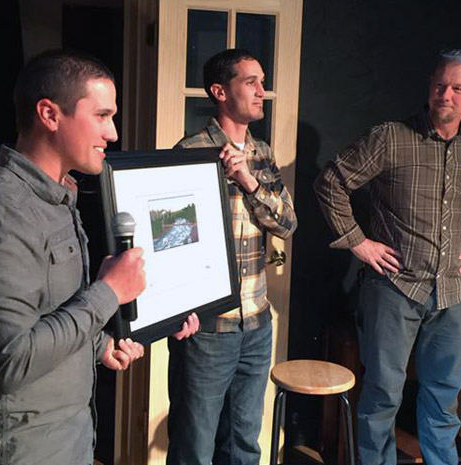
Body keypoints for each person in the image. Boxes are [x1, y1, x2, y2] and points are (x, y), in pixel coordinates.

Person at [0, 49, 197, 465]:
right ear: (49, 114)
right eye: (101, 116)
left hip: (69, 439)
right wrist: (108, 291)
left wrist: (100, 344)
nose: (113, 133)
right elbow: (10, 361)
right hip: (18, 452)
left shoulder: (61, 196)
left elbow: (49, 308)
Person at [314, 49, 461, 465]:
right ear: (430, 85)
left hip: (453, 291)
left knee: (444, 397)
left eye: (457, 88)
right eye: (440, 85)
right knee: (383, 394)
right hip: (394, 287)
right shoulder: (391, 137)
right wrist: (358, 241)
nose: (446, 95)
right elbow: (331, 181)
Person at [167, 48, 297, 465]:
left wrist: (247, 180)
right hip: (207, 328)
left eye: (262, 81)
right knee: (195, 446)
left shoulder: (261, 153)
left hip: (257, 322)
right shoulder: (189, 151)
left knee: (244, 445)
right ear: (220, 91)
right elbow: (172, 243)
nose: (263, 91)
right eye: (251, 82)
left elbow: (288, 223)